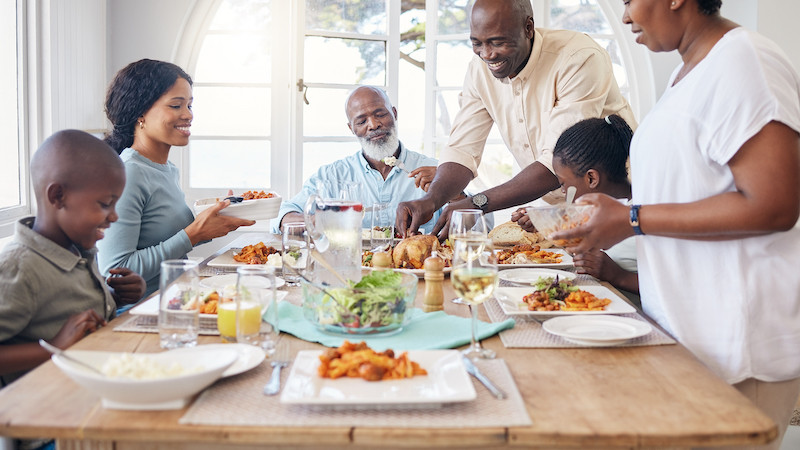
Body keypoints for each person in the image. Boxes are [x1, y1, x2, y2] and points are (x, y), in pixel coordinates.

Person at [551, 1, 800, 448]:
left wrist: (630, 218)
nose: (625, 16)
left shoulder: (746, 62)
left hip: (737, 350)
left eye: (629, 1)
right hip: (689, 340)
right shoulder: (686, 74)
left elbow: (775, 204)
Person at [396, 0, 636, 238]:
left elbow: (559, 161)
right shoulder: (480, 69)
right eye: (476, 43)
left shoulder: (578, 57)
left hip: (621, 203)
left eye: (497, 42)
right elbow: (462, 149)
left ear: (528, 28)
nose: (487, 54)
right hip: (560, 211)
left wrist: (478, 202)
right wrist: (430, 201)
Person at [98, 59, 254, 301]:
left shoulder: (166, 169)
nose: (188, 115)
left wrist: (213, 219)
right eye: (175, 105)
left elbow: (166, 237)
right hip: (138, 314)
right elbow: (115, 272)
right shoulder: (129, 173)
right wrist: (192, 235)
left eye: (190, 105)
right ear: (140, 112)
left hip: (176, 300)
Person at [0, 130, 145, 388]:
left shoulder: (78, 248)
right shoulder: (18, 268)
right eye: (104, 204)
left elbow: (66, 305)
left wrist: (116, 295)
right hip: (44, 418)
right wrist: (53, 348)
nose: (114, 217)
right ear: (57, 196)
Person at [275, 86, 462, 234]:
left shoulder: (433, 169)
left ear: (394, 114)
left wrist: (450, 189)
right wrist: (312, 220)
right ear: (351, 128)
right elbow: (282, 214)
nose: (373, 125)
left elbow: (476, 221)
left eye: (380, 114)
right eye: (361, 121)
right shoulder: (331, 176)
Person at [550, 115, 639, 306]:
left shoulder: (642, 217)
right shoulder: (591, 214)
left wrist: (617, 275)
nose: (563, 192)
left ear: (591, 178)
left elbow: (678, 284)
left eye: (563, 184)